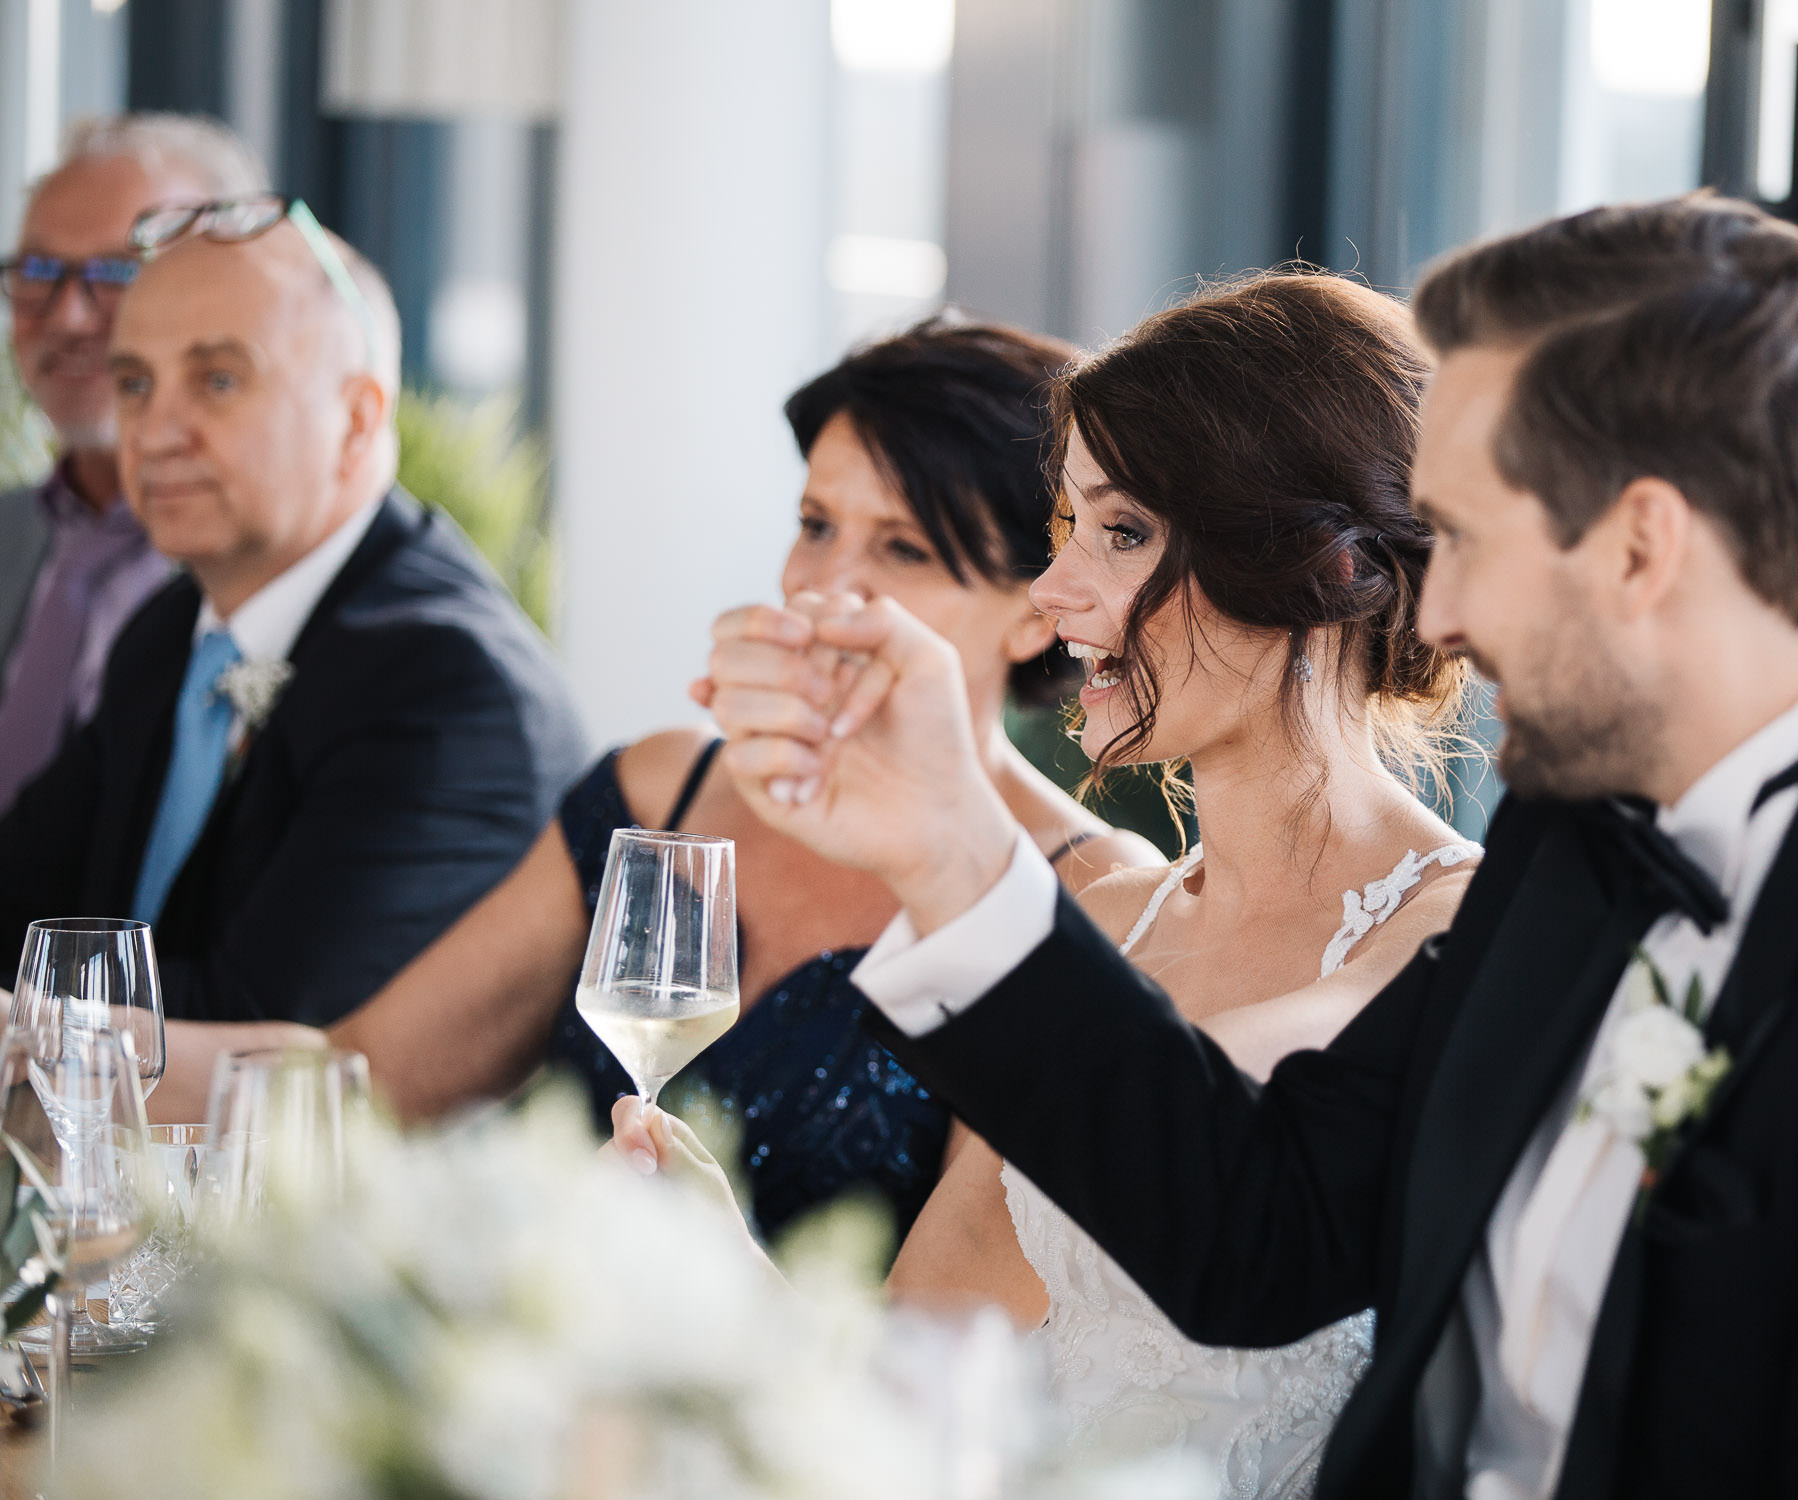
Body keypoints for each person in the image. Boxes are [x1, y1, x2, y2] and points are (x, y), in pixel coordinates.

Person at [702, 195, 1798, 1498]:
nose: (1434, 613)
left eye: (1460, 537)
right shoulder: (1575, 840)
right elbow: (1251, 1235)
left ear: (1638, 543)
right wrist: (950, 848)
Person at [626, 274, 1478, 1493]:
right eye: (1065, 526)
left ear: (1303, 565)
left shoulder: (1456, 928)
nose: (1050, 591)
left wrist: (946, 832)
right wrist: (723, 1272)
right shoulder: (1102, 931)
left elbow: (1219, 1117)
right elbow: (910, 1398)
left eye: (1120, 534)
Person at [308, 319, 1161, 1245]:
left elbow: (970, 1310)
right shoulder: (664, 787)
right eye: (817, 525)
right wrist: (133, 1057)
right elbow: (358, 1078)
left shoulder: (1091, 889)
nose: (825, 585)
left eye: (904, 549)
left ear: (1038, 610)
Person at [0, 196, 586, 1031]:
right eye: (134, 383)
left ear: (357, 419)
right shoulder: (172, 630)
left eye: (218, 379)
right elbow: (20, 898)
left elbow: (261, 1041)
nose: (156, 432)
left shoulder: (453, 689)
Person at [0, 114, 267, 814]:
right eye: (37, 270)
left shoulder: (271, 565)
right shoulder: (10, 535)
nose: (69, 317)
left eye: (117, 271)